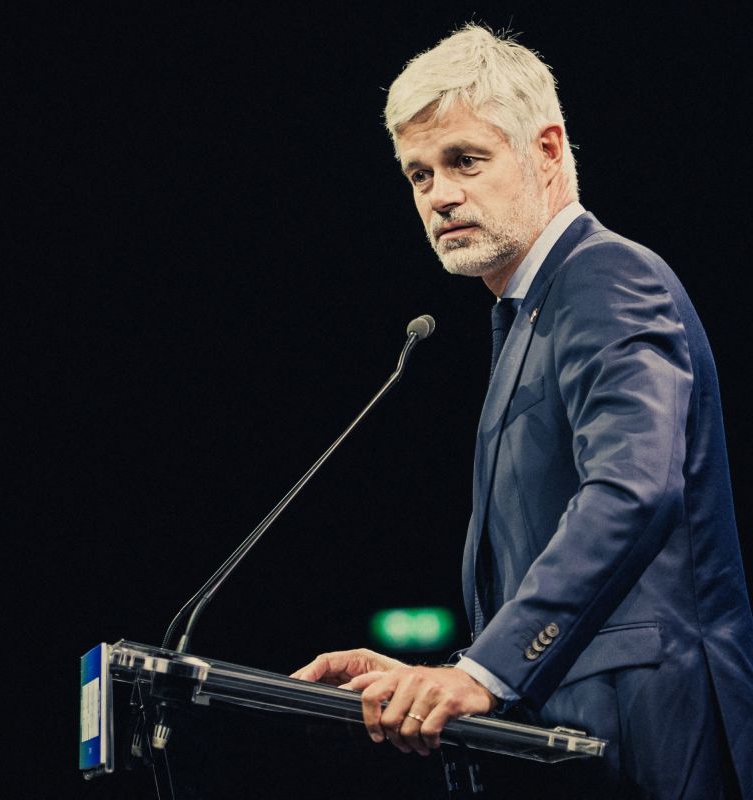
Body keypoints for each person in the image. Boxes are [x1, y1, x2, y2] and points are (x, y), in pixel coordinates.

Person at [292, 25, 753, 798]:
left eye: (465, 160)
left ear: (546, 150)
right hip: (584, 747)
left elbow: (633, 489)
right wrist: (439, 678)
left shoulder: (604, 276)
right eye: (418, 174)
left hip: (653, 742)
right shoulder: (527, 316)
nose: (439, 195)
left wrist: (486, 670)